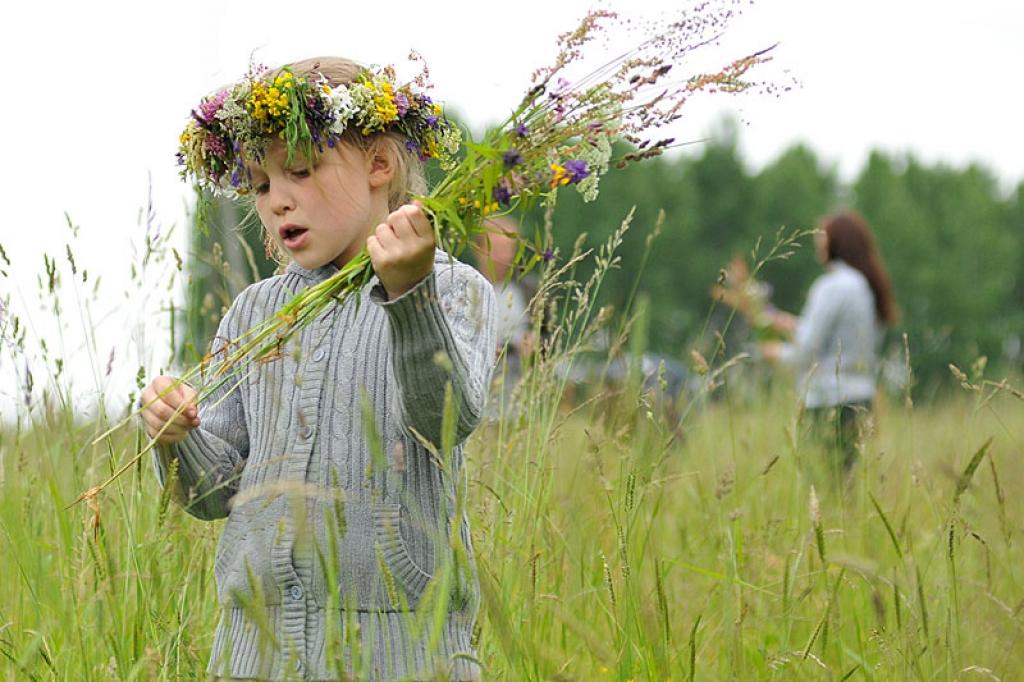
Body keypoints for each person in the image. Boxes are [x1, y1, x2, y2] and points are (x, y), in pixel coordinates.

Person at [141, 57, 496, 680]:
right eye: (259, 184)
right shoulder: (256, 311)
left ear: (379, 166)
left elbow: (448, 419)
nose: (279, 200)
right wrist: (180, 436)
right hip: (256, 649)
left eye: (300, 171)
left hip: (402, 648)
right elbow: (215, 493)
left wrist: (410, 297)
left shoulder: (451, 289)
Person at [763, 210, 897, 471]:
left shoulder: (831, 286)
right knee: (845, 488)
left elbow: (808, 349)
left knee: (820, 491)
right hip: (861, 397)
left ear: (837, 242)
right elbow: (844, 340)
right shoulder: (866, 286)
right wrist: (792, 324)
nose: (818, 243)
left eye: (822, 237)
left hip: (827, 400)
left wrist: (775, 352)